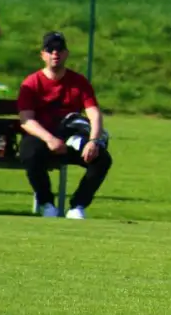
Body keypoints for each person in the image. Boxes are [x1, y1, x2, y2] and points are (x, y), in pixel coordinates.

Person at [18, 31, 113, 221]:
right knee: (30, 153)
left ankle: (78, 206)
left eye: (59, 49)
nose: (55, 53)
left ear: (66, 53)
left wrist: (93, 141)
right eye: (50, 49)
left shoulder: (79, 82)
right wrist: (50, 139)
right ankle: (47, 204)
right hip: (43, 138)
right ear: (42, 55)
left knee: (102, 159)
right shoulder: (32, 82)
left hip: (71, 138)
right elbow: (26, 120)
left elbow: (94, 114)